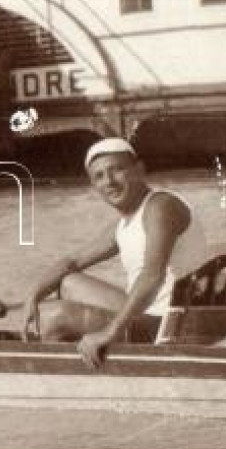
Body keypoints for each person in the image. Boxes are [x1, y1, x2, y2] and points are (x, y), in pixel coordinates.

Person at [22, 137, 209, 367]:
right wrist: (33, 294)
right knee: (69, 282)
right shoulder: (126, 222)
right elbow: (72, 261)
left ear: (139, 169)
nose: (109, 182)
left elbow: (152, 275)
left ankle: (57, 378)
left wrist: (108, 333)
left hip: (168, 325)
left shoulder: (161, 206)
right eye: (99, 176)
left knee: (53, 317)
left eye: (117, 170)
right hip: (149, 315)